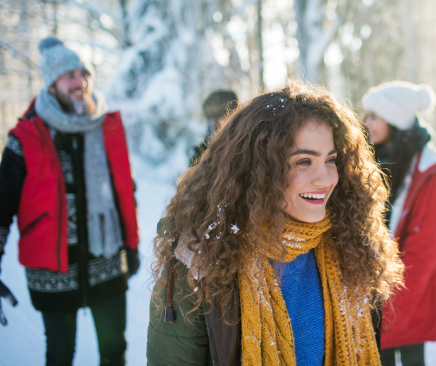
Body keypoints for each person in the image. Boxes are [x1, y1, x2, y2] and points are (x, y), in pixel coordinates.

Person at [147, 80, 404, 366]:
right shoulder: (202, 259)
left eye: (330, 160)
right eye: (304, 161)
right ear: (258, 169)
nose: (325, 179)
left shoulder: (350, 243)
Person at [0, 36, 140, 366]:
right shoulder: (25, 137)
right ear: (52, 85)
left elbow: (125, 192)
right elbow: (2, 208)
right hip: (52, 271)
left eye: (83, 74)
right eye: (69, 76)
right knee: (61, 355)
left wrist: (131, 246)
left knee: (114, 350)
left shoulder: (106, 126)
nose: (80, 83)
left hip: (106, 261)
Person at [362, 81, 436, 366]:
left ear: (395, 120)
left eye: (374, 116)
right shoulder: (371, 162)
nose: (366, 122)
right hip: (373, 297)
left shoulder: (430, 174)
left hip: (405, 301)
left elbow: (424, 252)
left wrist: (389, 311)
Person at [189, 90, 239, 166]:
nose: (233, 120)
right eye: (227, 116)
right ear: (216, 122)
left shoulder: (244, 144)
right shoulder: (199, 156)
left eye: (236, 114)